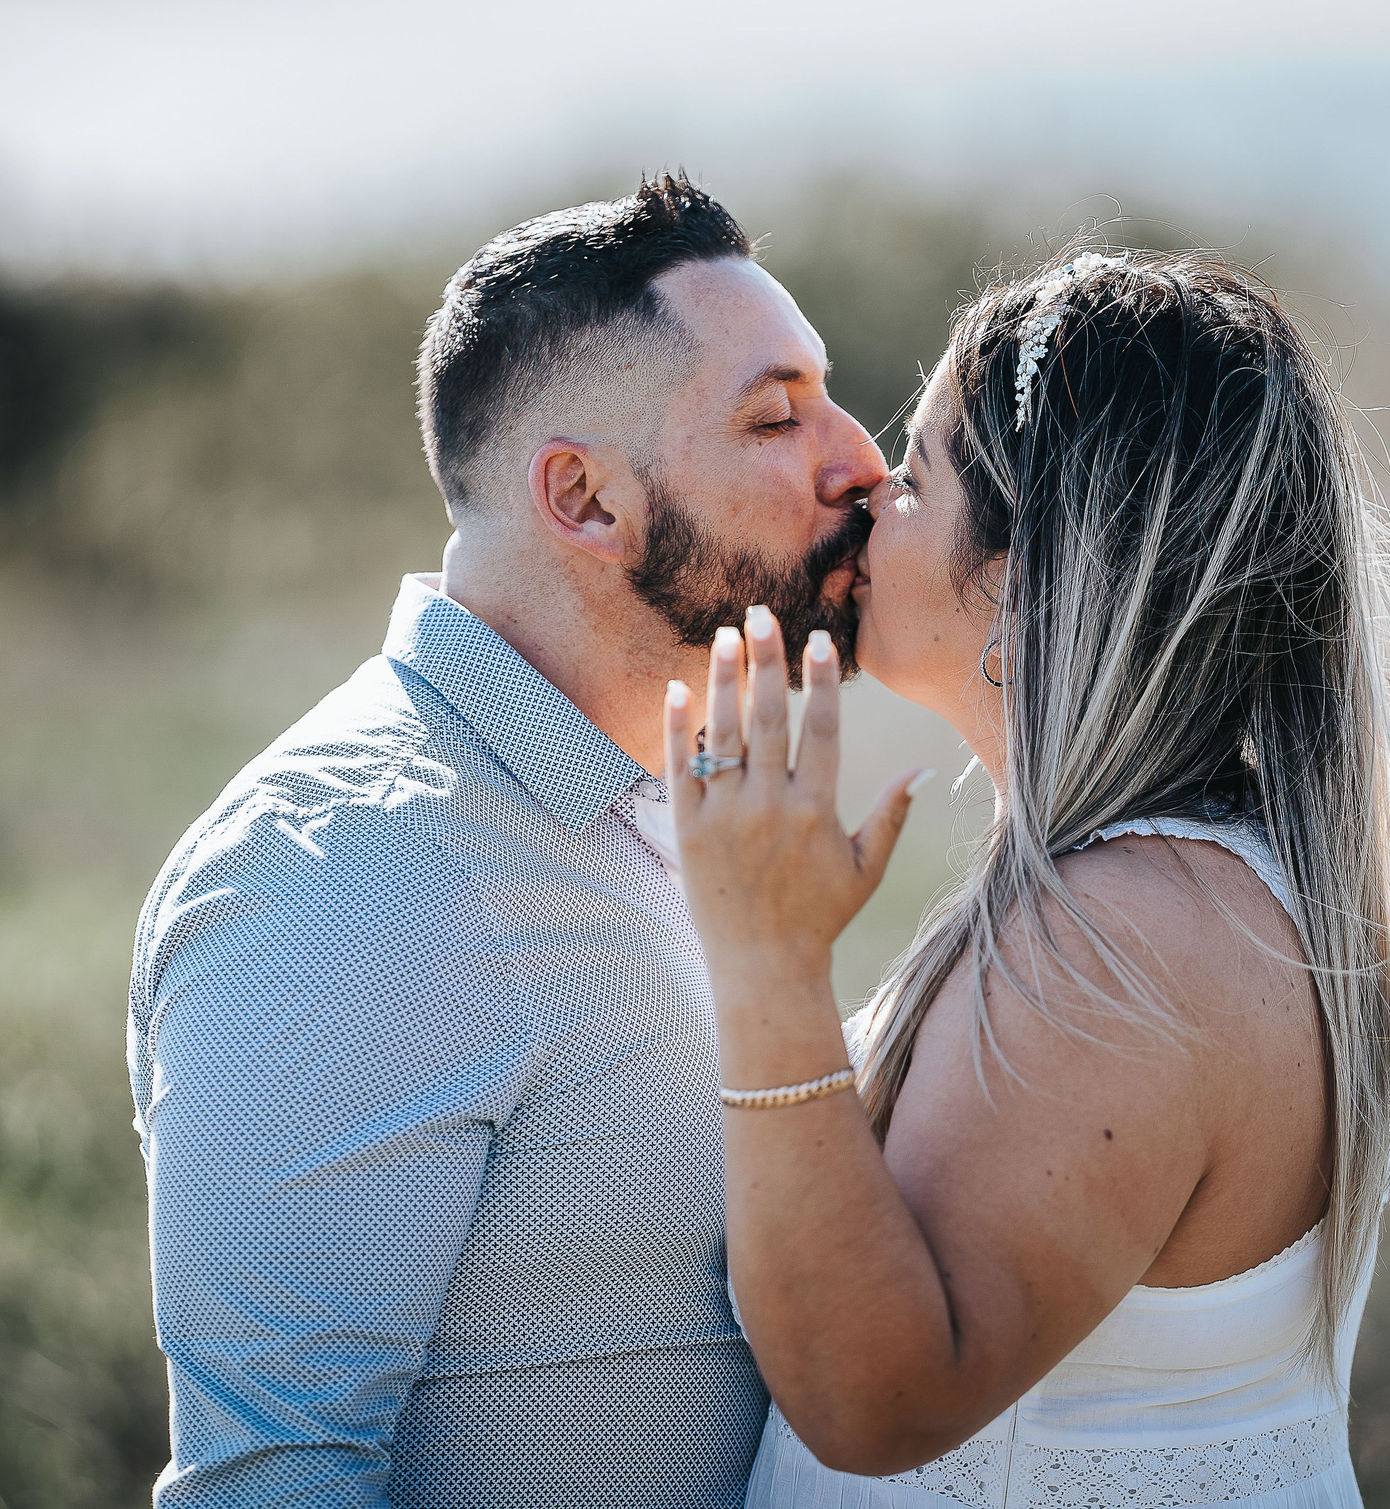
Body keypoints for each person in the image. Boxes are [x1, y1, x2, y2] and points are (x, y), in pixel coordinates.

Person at [663, 250, 1390, 1508]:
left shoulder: (1135, 932)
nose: (874, 491)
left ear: (1025, 575)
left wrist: (768, 964)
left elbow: (874, 1399)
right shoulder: (1181, 885)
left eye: (920, 472)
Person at [126, 175, 887, 1507]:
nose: (861, 458)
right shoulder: (342, 869)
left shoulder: (663, 804)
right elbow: (273, 1481)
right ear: (586, 498)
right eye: (777, 413)